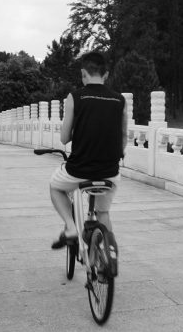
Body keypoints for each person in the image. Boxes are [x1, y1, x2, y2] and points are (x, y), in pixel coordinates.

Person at [48, 51, 127, 250]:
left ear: (84, 73)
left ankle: (71, 227)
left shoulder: (75, 97)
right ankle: (108, 254)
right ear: (106, 75)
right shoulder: (120, 100)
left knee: (55, 187)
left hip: (78, 170)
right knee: (103, 213)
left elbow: (64, 138)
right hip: (110, 171)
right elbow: (123, 137)